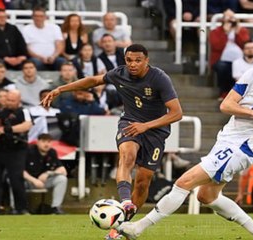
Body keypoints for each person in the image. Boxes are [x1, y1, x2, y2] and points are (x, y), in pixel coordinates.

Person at [116, 48, 253, 240]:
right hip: (226, 140)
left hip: (242, 148)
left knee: (184, 182)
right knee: (206, 196)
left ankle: (138, 228)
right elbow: (226, 105)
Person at [41, 44, 182, 240]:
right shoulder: (119, 74)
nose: (132, 64)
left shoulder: (159, 78)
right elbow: (92, 81)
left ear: (146, 60)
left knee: (142, 182)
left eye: (137, 60)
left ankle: (119, 228)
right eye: (129, 60)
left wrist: (147, 126)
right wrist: (60, 89)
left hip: (155, 131)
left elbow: (177, 113)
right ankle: (125, 202)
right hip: (129, 123)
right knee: (127, 156)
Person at [0, 90, 33, 215]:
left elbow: (27, 125)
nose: (9, 103)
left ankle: (21, 208)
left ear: (19, 100)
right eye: (8, 100)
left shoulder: (23, 112)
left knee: (16, 179)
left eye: (12, 101)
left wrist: (8, 129)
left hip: (17, 150)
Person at [24, 133, 68, 214]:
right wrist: (34, 180)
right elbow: (21, 170)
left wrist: (48, 173)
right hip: (28, 181)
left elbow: (63, 170)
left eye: (49, 142)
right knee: (16, 180)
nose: (46, 144)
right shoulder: (29, 151)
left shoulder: (52, 152)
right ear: (37, 142)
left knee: (62, 179)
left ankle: (56, 208)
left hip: (44, 182)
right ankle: (20, 209)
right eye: (43, 141)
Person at [21, 6, 65, 70]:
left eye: (41, 16)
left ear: (45, 17)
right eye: (36, 16)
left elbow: (59, 45)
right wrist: (40, 57)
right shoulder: (26, 29)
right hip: (35, 58)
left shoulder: (55, 27)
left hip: (53, 58)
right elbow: (27, 48)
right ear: (32, 17)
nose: (38, 18)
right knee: (35, 63)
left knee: (63, 62)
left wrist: (53, 56)